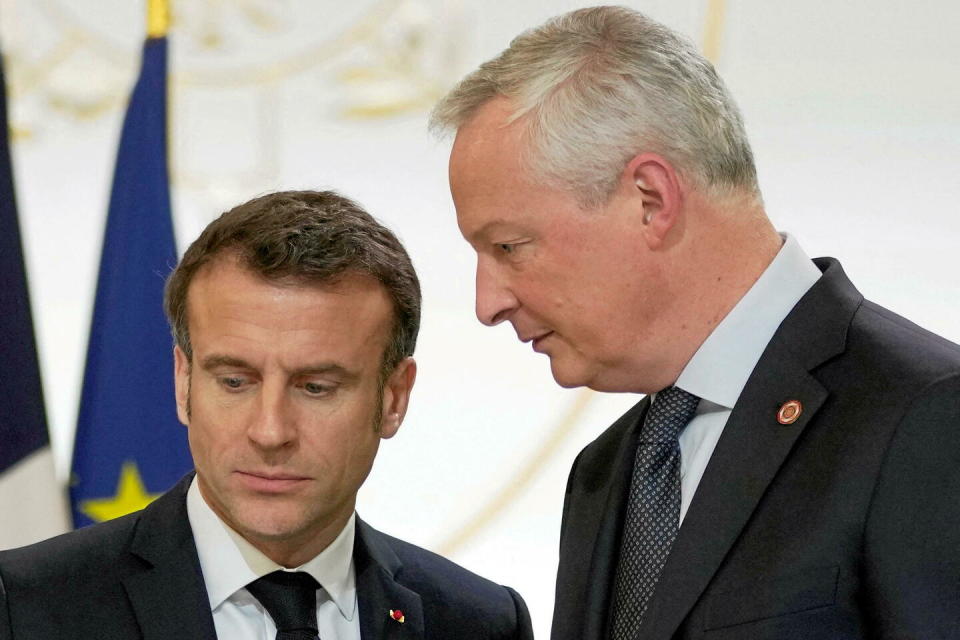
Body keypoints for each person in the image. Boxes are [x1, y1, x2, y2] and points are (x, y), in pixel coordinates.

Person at [431, 6, 960, 639]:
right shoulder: (604, 473)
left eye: (509, 246)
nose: (486, 303)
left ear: (650, 200)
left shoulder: (930, 416)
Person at [0, 190, 533, 640]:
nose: (270, 431)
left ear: (394, 397)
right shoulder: (25, 608)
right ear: (184, 382)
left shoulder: (478, 621)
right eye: (234, 382)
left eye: (316, 387)